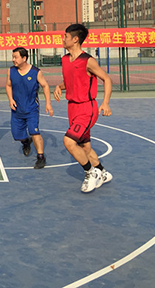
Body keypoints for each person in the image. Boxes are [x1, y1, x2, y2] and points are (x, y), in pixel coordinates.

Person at [53, 24, 113, 193]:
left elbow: (107, 79)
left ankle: (90, 172)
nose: (63, 39)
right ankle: (102, 172)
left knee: (69, 141)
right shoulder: (65, 60)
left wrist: (105, 103)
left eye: (66, 36)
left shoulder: (88, 60)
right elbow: (71, 81)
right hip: (72, 108)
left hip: (87, 108)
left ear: (75, 39)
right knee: (85, 146)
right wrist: (59, 86)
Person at [5, 47, 53, 169]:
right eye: (13, 57)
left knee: (34, 132)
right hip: (17, 109)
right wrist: (10, 99)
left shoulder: (36, 72)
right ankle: (26, 141)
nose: (13, 59)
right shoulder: (11, 71)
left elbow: (45, 86)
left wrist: (48, 103)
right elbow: (8, 85)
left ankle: (41, 157)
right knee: (17, 135)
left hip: (31, 108)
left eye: (16, 57)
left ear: (24, 58)